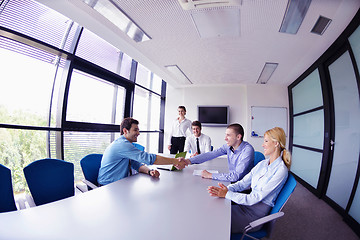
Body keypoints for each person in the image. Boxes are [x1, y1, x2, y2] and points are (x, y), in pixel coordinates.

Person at [207, 127, 291, 233]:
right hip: (244, 205)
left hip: (253, 216)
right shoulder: (262, 164)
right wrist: (225, 189)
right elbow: (242, 183)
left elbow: (255, 198)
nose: (262, 145)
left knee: (213, 224)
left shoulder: (281, 171)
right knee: (211, 213)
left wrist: (226, 194)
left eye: (266, 141)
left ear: (276, 143)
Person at [98, 117, 188, 186]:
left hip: (119, 183)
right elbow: (148, 158)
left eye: (138, 130)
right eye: (135, 130)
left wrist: (149, 171)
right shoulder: (122, 145)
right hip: (108, 185)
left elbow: (136, 164)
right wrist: (175, 161)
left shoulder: (126, 144)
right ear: (125, 131)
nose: (138, 133)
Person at [184, 123, 254, 182]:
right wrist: (188, 161)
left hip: (242, 187)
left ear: (238, 137)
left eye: (228, 135)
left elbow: (235, 176)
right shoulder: (228, 146)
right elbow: (210, 154)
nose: (225, 138)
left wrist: (210, 175)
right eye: (225, 135)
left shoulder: (247, 150)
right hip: (231, 182)